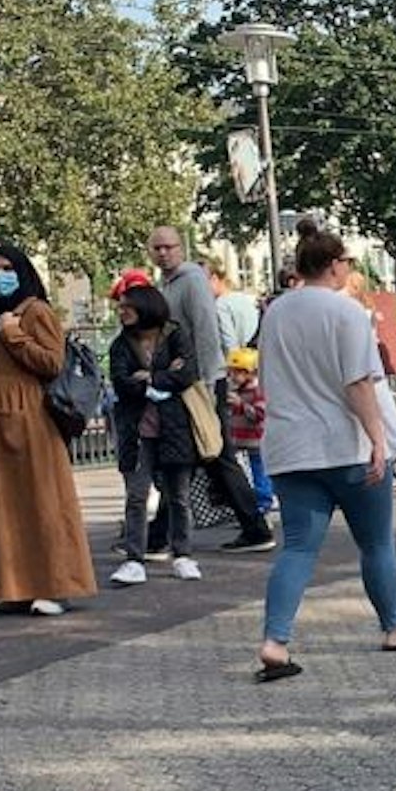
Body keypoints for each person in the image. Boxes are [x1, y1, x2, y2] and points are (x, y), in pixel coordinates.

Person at [253, 220, 396, 682]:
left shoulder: (275, 312)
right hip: (346, 446)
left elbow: (267, 378)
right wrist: (378, 439)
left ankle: (275, 640)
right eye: (348, 263)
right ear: (335, 266)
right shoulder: (346, 313)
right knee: (375, 542)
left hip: (292, 447)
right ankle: (395, 627)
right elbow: (358, 382)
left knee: (296, 549)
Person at [0, 244, 96, 615]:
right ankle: (14, 587)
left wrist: (14, 334)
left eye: (7, 267)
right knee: (3, 510)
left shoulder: (35, 311)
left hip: (30, 418)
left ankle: (55, 585)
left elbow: (51, 362)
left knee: (44, 503)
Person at [147, 225, 274, 553]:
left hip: (201, 381)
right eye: (157, 248)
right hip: (194, 380)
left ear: (181, 248)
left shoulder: (190, 282)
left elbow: (204, 330)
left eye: (169, 247)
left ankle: (160, 536)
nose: (163, 253)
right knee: (202, 453)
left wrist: (205, 380)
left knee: (209, 452)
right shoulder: (172, 283)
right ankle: (162, 535)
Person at [106, 285, 204, 587]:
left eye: (127, 307)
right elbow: (121, 381)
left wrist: (149, 377)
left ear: (145, 308)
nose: (121, 312)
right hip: (137, 429)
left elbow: (188, 373)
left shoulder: (175, 335)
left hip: (174, 426)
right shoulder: (121, 344)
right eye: (120, 307)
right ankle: (135, 558)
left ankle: (183, 554)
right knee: (137, 495)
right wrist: (163, 378)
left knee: (179, 495)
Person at [226, 347, 276, 515]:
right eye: (231, 372)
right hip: (239, 440)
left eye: (238, 372)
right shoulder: (235, 391)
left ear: (251, 372)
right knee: (244, 474)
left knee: (259, 472)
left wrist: (241, 405)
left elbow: (259, 414)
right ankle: (247, 501)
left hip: (255, 441)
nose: (233, 376)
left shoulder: (257, 391)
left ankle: (264, 501)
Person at [210, 267, 260, 350]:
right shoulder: (241, 297)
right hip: (254, 350)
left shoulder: (220, 305)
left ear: (214, 279)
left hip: (239, 356)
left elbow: (229, 341)